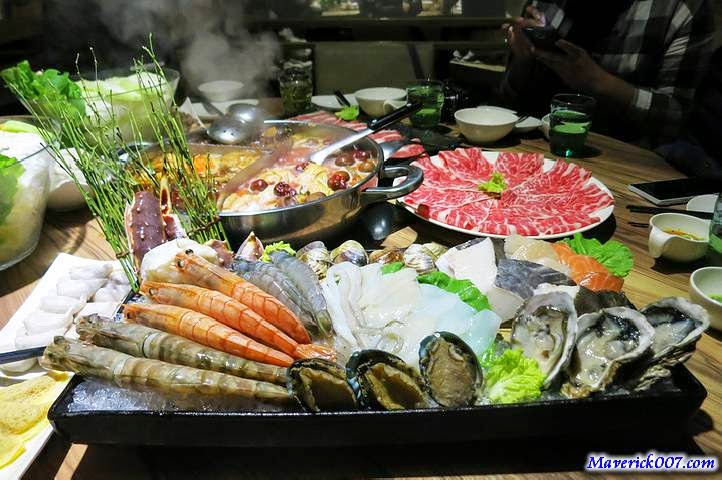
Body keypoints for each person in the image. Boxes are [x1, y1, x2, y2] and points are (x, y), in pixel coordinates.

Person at [499, 0, 716, 147]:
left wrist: (597, 81)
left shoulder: (681, 9)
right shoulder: (550, 4)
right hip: (536, 145)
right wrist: (523, 58)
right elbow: (509, 100)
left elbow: (675, 119)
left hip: (627, 159)